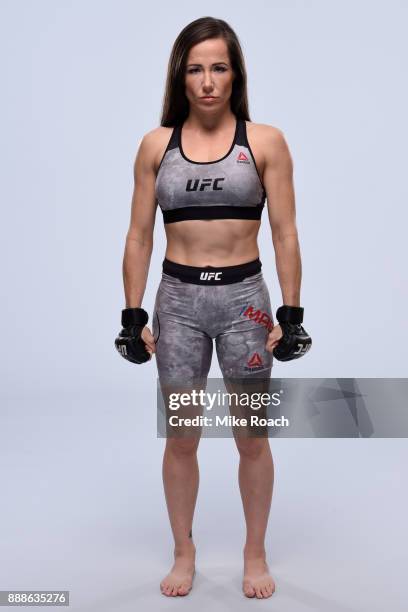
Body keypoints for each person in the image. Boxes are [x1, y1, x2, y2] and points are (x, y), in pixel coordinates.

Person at [115, 16, 311, 599]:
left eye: (218, 68)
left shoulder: (265, 141)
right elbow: (138, 236)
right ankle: (184, 550)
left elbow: (286, 234)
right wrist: (132, 317)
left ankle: (254, 552)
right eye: (195, 68)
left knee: (252, 436)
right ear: (181, 76)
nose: (207, 81)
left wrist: (293, 315)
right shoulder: (157, 145)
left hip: (245, 306)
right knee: (182, 435)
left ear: (235, 74)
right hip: (177, 305)